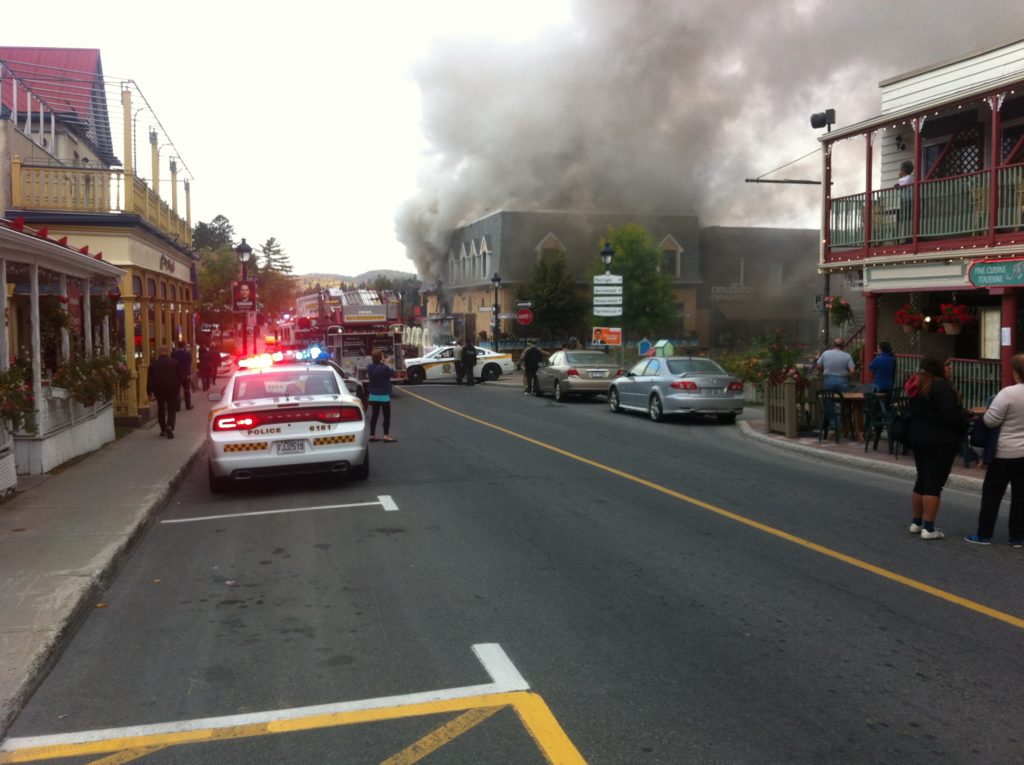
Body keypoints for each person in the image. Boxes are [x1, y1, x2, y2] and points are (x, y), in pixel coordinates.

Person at [906, 353, 969, 540]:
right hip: (940, 441)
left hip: (918, 437)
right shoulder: (940, 387)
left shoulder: (918, 384)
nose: (950, 368)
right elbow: (950, 415)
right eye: (947, 365)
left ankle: (916, 523)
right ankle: (929, 528)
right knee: (934, 484)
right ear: (938, 367)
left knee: (922, 480)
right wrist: (964, 424)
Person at [965, 353, 1024, 546]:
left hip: (1003, 453)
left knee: (992, 495)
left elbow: (991, 421)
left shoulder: (1008, 393)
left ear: (1016, 373)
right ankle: (1017, 537)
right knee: (1020, 498)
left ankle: (984, 535)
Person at [816, 337, 855, 431]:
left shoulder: (826, 353)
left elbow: (818, 365)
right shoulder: (847, 356)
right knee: (842, 401)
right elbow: (852, 371)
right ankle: (841, 423)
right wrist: (847, 375)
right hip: (842, 380)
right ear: (843, 346)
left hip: (828, 379)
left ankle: (833, 424)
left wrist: (823, 371)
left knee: (829, 401)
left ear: (833, 344)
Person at [147, 346, 182, 439]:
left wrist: (149, 392)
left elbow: (150, 380)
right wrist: (185, 386)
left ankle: (163, 429)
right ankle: (170, 426)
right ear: (168, 352)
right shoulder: (175, 363)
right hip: (172, 389)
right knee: (171, 409)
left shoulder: (153, 364)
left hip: (159, 390)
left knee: (161, 409)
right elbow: (180, 376)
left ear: (159, 353)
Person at [366, 349, 396, 442]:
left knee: (374, 416)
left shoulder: (369, 367)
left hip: (373, 395)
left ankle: (372, 435)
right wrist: (386, 363)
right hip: (384, 395)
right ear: (380, 358)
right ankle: (386, 436)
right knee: (386, 416)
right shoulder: (384, 368)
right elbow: (392, 373)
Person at [869, 341, 896, 406]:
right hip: (889, 386)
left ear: (881, 349)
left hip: (878, 386)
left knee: (877, 405)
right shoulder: (892, 359)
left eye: (878, 348)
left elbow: (871, 367)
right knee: (886, 405)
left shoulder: (878, 359)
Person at [170, 341, 194, 410]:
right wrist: (189, 374)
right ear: (184, 346)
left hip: (176, 374)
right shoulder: (188, 354)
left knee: (177, 390)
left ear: (178, 346)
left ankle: (177, 407)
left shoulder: (173, 353)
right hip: (186, 374)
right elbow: (189, 363)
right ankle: (188, 406)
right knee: (186, 390)